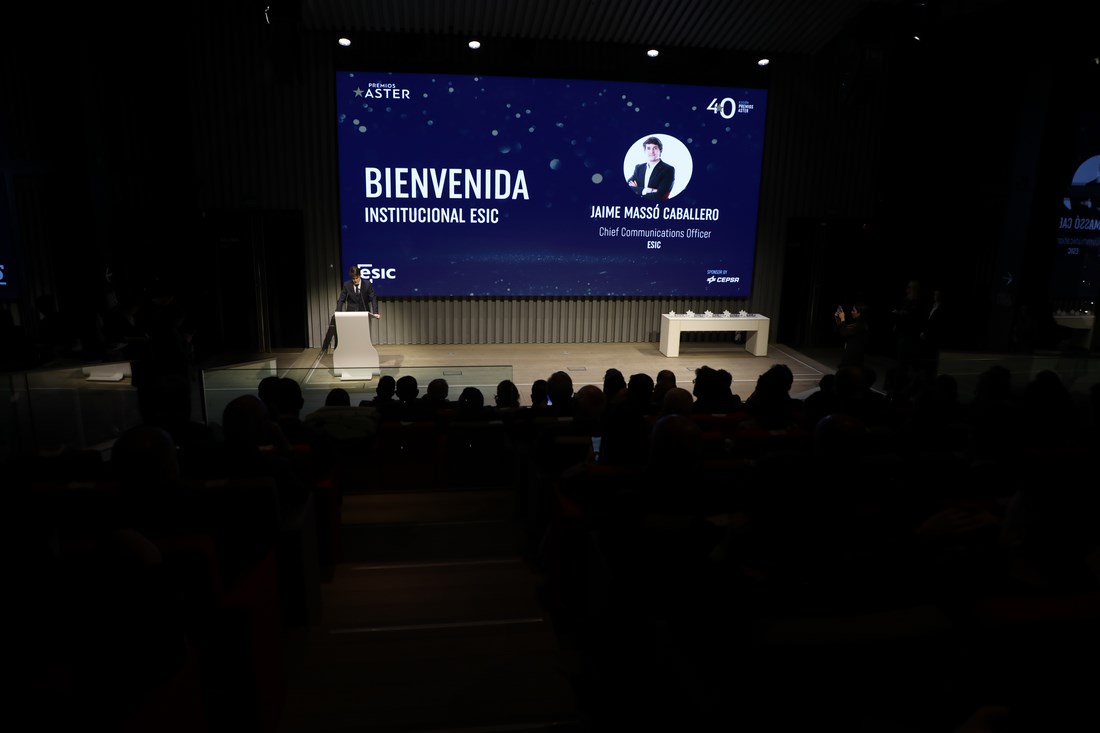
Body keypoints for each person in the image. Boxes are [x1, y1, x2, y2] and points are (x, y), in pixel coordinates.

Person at [330, 266, 380, 350]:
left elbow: (373, 298)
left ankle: (364, 350)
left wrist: (375, 312)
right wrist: (338, 312)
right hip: (351, 314)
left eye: (356, 278)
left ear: (360, 276)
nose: (355, 280)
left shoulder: (367, 284)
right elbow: (341, 300)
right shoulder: (347, 285)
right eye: (353, 278)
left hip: (364, 313)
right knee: (352, 334)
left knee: (363, 335)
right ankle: (352, 350)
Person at [626, 136, 675, 201]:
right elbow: (628, 186)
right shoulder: (639, 167)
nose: (651, 151)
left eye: (655, 148)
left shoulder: (668, 170)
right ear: (645, 151)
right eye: (648, 148)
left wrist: (638, 191)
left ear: (660, 150)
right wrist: (647, 190)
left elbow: (660, 195)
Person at [834, 301, 869, 369]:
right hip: (850, 354)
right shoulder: (858, 324)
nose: (851, 312)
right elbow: (843, 328)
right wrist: (837, 317)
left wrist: (843, 319)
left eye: (853, 310)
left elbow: (844, 333)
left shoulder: (861, 326)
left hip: (854, 357)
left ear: (859, 313)